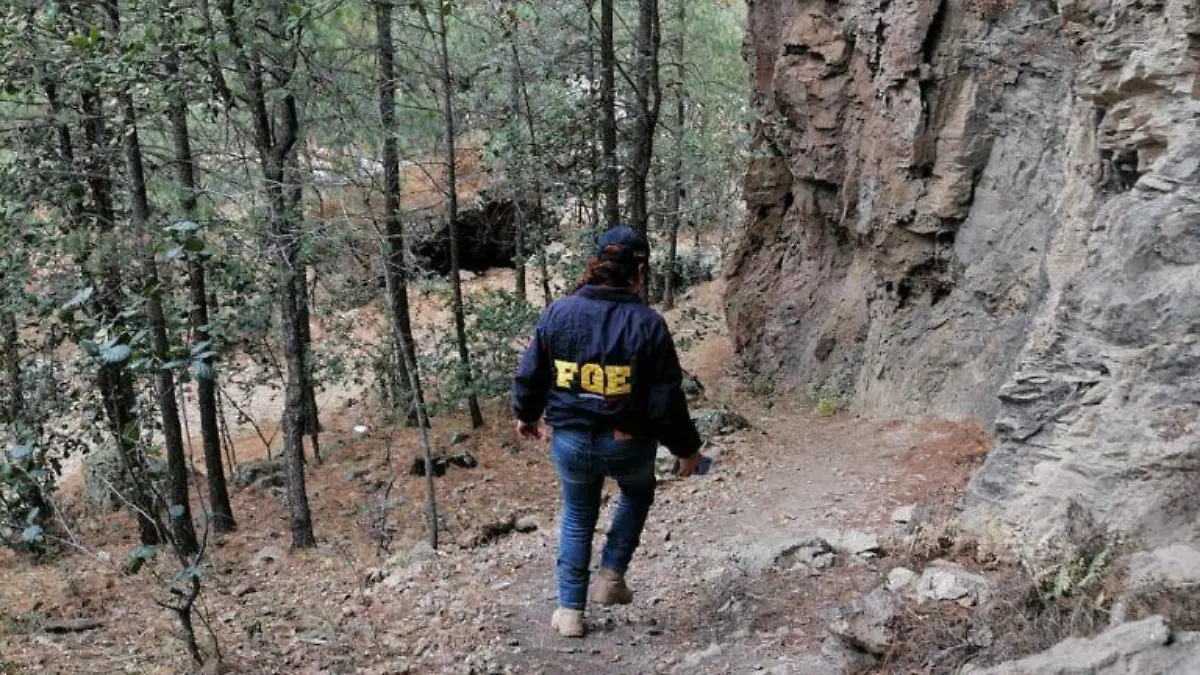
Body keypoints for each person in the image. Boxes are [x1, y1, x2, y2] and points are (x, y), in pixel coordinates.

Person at [511, 225, 704, 638]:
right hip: (627, 443)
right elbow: (666, 402)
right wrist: (687, 450)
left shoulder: (558, 313)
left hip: (570, 440)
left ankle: (570, 612)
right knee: (636, 493)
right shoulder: (648, 324)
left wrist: (525, 415)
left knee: (578, 515)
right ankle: (611, 576)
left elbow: (531, 374)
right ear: (640, 272)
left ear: (596, 265)